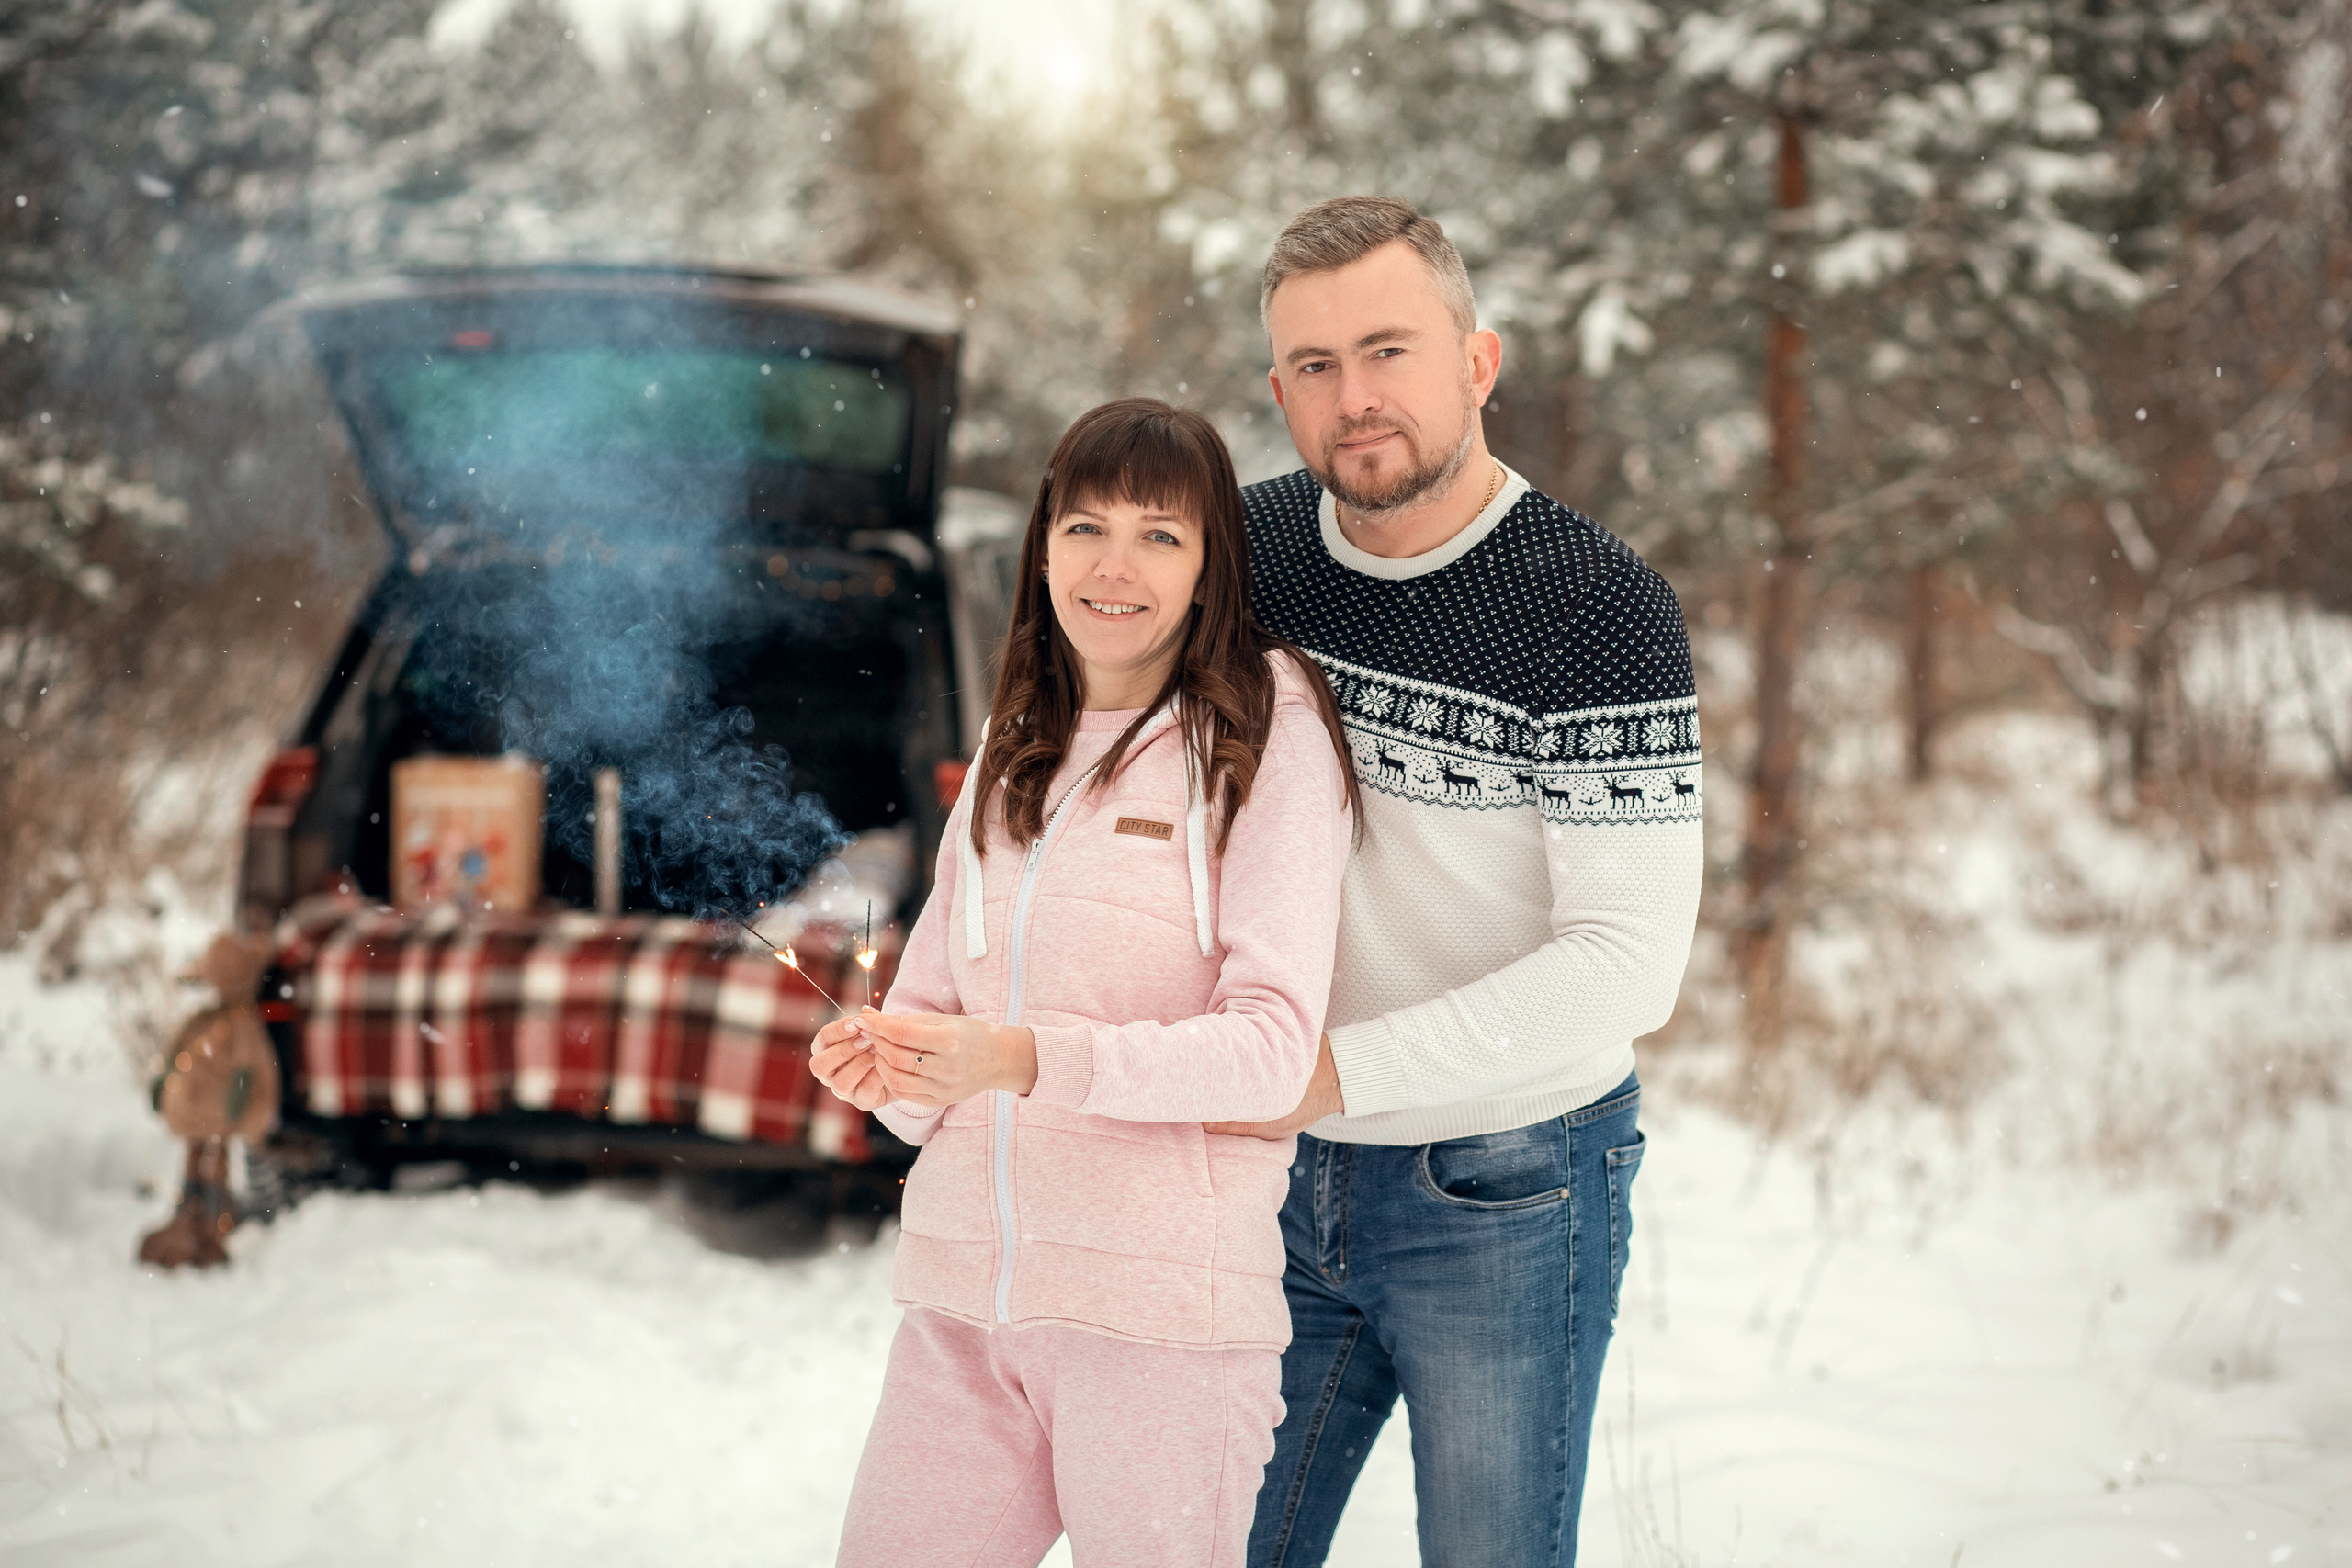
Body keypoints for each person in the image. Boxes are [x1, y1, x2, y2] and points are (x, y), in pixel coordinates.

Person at [1207, 197, 1705, 1566]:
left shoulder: (1596, 605)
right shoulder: (1247, 555)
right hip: (1267, 1173)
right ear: (1278, 393)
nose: (1353, 398)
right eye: (1315, 365)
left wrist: (1332, 1073)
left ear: (1478, 362)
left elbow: (1628, 963)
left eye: (1389, 350)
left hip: (1505, 1186)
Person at [808, 398, 1360, 1568]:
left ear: (1210, 566)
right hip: (964, 1308)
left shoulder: (1262, 734)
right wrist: (885, 1069)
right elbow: (931, 1020)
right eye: (1085, 528)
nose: (1114, 567)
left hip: (1161, 1328)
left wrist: (1026, 1059)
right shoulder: (1015, 738)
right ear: (1044, 545)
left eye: (1160, 535)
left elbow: (1271, 1048)